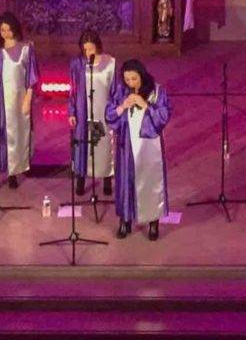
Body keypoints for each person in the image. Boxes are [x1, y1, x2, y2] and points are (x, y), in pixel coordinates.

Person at [106, 59, 171, 241]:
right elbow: (109, 114)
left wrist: (145, 105)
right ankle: (125, 219)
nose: (130, 83)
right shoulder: (120, 91)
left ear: (141, 75)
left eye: (134, 79)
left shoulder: (157, 91)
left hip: (149, 145)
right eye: (127, 79)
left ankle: (153, 221)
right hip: (126, 144)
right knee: (126, 180)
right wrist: (121, 107)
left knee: (149, 181)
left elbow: (164, 116)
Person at [0, 12, 39, 193]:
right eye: (2, 30)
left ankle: (13, 173)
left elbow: (32, 76)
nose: (6, 33)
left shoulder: (26, 49)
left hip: (17, 101)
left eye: (9, 29)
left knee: (16, 138)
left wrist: (28, 99)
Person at [67, 29, 117, 196]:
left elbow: (115, 89)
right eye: (85, 49)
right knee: (82, 146)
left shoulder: (109, 63)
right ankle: (81, 179)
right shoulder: (77, 64)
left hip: (102, 112)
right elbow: (72, 90)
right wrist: (72, 111)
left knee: (102, 145)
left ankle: (106, 180)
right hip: (83, 113)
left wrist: (115, 112)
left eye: (91, 49)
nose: (88, 52)